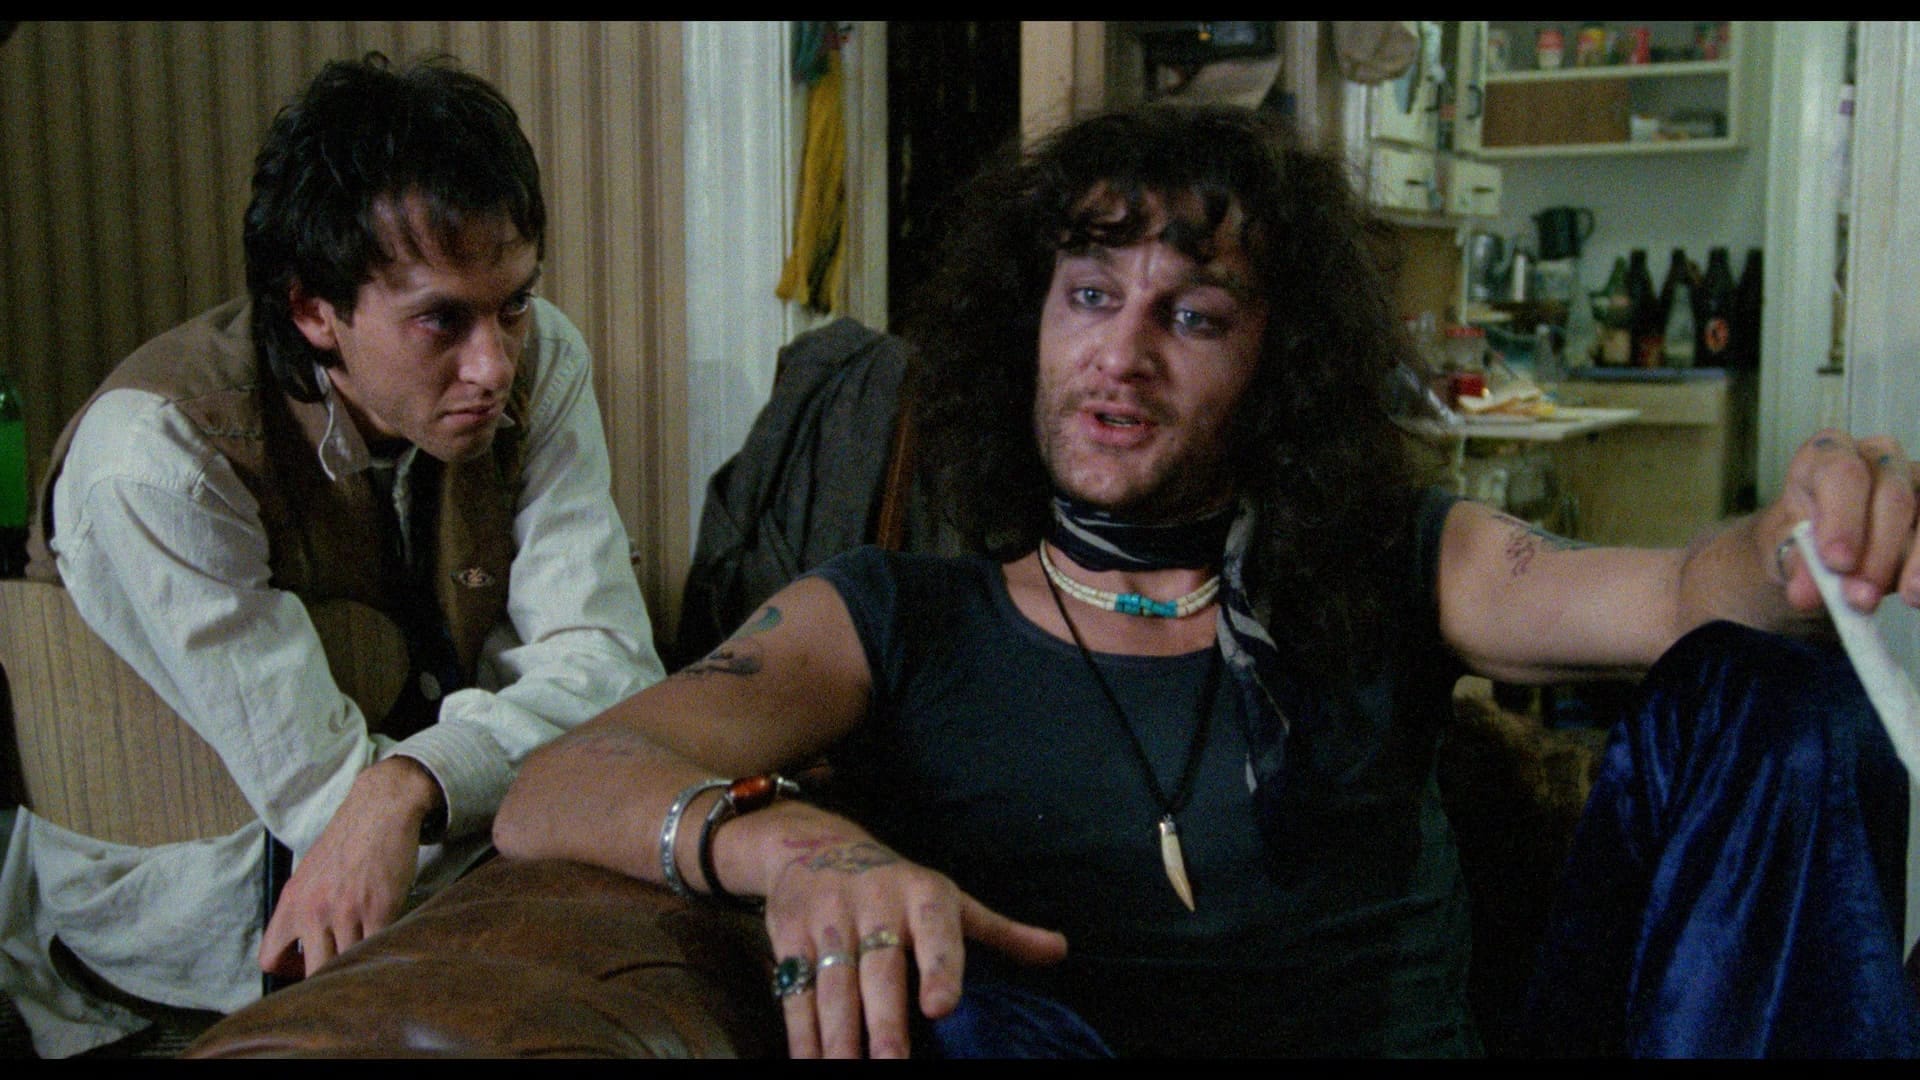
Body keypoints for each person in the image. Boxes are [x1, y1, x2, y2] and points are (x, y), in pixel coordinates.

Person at [493, 105, 1920, 1057]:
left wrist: (1798, 544)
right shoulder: (892, 614)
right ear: (1027, 323)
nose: (1120, 355)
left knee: (1779, 697)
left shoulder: (1400, 564)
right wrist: (797, 848)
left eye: (1193, 315)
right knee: (965, 1023)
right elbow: (562, 782)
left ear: (1275, 367)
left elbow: (1679, 597)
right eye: (1089, 296)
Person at [0, 54, 665, 1057]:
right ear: (314, 310)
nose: (493, 363)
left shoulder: (541, 359)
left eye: (513, 303)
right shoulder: (158, 459)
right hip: (201, 905)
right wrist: (437, 786)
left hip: (439, 835)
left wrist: (410, 784)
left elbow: (612, 667)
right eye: (441, 318)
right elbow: (323, 807)